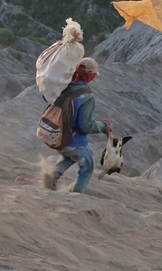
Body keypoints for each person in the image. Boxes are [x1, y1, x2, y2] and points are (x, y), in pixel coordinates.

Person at [44, 58, 112, 193]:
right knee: (87, 166)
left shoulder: (63, 87)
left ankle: (53, 175)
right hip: (74, 141)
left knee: (70, 156)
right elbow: (85, 126)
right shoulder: (86, 95)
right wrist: (104, 126)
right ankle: (76, 196)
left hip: (56, 137)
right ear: (90, 75)